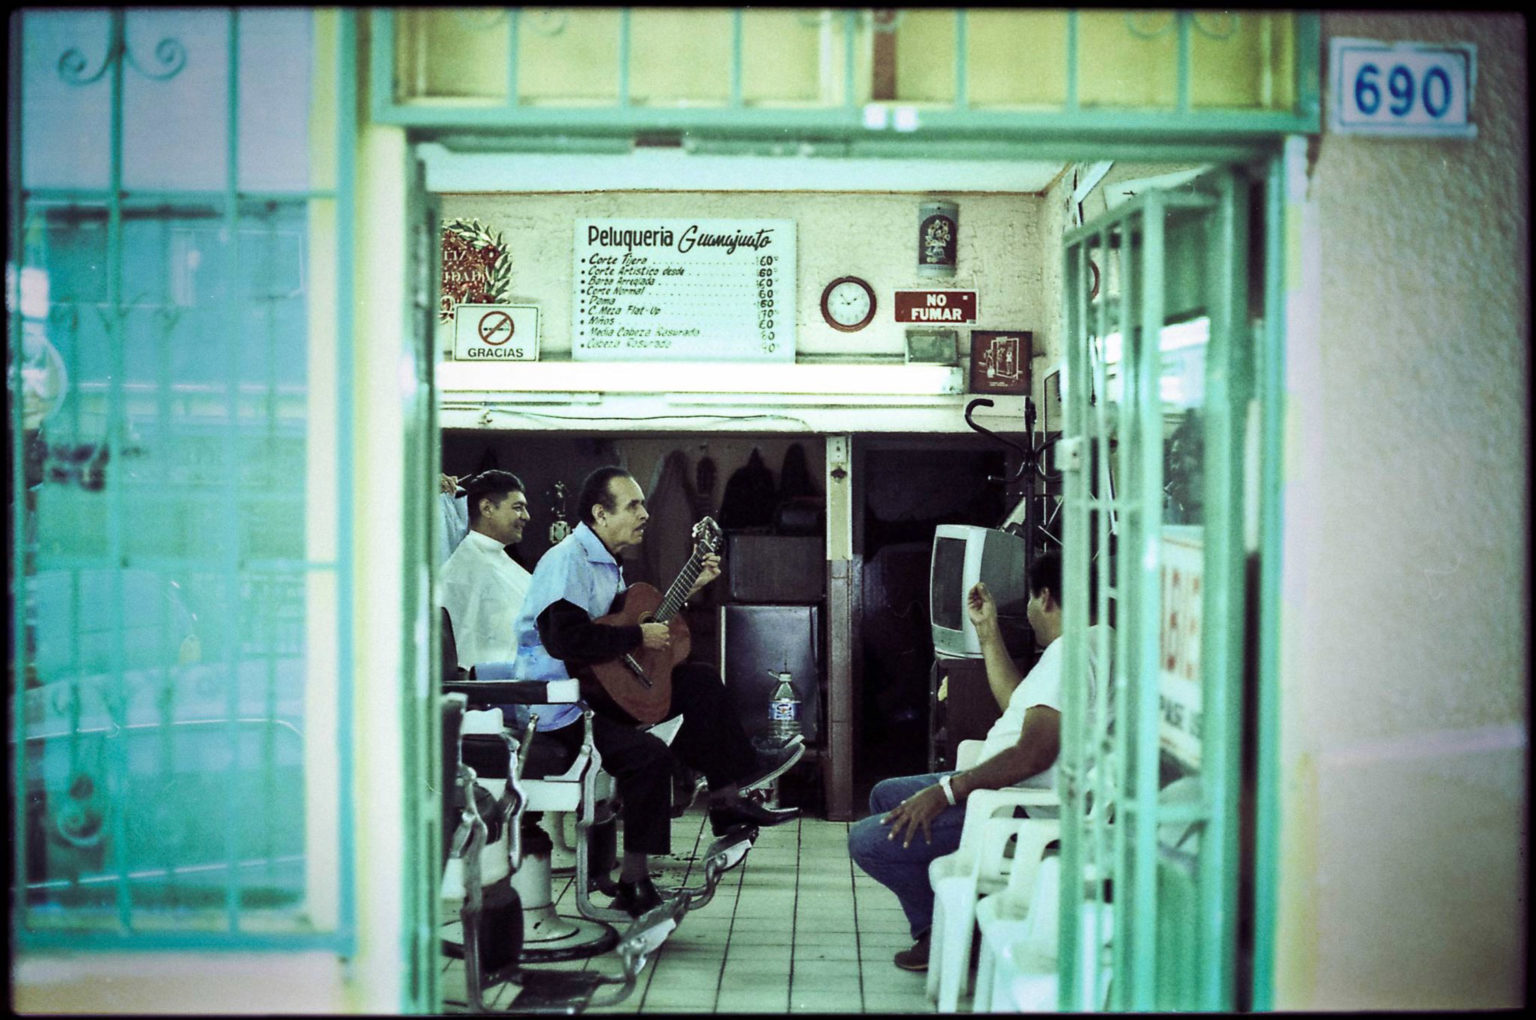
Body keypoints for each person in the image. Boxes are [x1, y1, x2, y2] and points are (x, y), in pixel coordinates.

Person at [510, 466, 803, 917]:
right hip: (560, 710)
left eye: (644, 503)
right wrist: (636, 639)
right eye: (634, 505)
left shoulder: (606, 563)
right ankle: (634, 882)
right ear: (600, 514)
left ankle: (727, 800)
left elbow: (626, 627)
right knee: (649, 756)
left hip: (599, 695)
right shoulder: (566, 560)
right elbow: (564, 640)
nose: (645, 513)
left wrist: (690, 589)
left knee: (699, 681)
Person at [847, 550, 1111, 971]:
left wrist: (948, 791)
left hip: (1018, 804)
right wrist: (987, 632)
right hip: (1012, 790)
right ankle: (940, 927)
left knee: (866, 842)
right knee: (886, 795)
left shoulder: (1070, 653)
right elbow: (1019, 705)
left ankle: (954, 935)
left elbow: (1034, 752)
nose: (1027, 611)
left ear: (1045, 598)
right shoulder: (1094, 642)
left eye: (1028, 600)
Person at [439, 470, 532, 672]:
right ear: (487, 508)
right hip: (491, 689)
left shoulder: (500, 560)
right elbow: (464, 649)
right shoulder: (463, 570)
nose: (526, 516)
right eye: (518, 508)